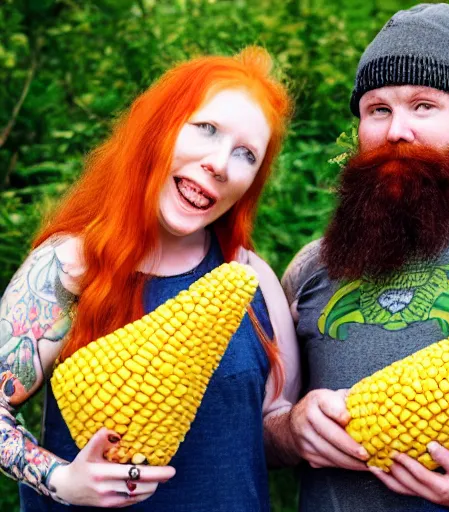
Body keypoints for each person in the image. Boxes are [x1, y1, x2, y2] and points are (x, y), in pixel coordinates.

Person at [0, 46, 300, 511]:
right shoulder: (69, 265)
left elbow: (275, 428)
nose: (220, 164)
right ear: (158, 129)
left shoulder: (253, 278)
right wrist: (59, 478)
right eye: (206, 129)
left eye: (246, 155)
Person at [263, 3, 449, 511]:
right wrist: (290, 429)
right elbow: (260, 434)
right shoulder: (315, 263)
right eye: (378, 109)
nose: (398, 129)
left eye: (424, 105)